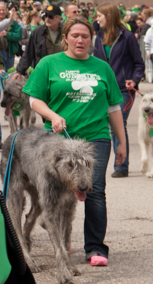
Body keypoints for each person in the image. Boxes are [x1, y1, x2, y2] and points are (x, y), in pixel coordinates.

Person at [23, 17, 127, 268]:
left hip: (96, 137)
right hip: (58, 140)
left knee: (95, 190)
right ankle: (62, 237)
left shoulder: (102, 68)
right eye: (75, 35)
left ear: (92, 39)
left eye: (85, 36)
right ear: (65, 38)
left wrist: (122, 142)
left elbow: (114, 108)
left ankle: (95, 247)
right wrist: (52, 116)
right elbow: (33, 100)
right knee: (58, 193)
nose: (80, 40)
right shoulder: (49, 63)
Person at [93, 3, 144, 178]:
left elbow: (139, 63)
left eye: (99, 15)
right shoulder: (98, 37)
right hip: (103, 89)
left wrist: (135, 79)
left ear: (109, 16)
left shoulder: (128, 37)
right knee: (106, 126)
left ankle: (121, 165)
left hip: (124, 89)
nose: (96, 19)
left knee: (118, 124)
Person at [15, 6, 62, 75]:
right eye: (45, 16)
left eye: (51, 16)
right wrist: (19, 71)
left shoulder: (66, 32)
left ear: (59, 18)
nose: (47, 19)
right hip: (43, 71)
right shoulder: (37, 32)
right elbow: (28, 53)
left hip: (61, 71)